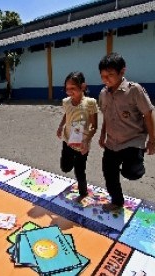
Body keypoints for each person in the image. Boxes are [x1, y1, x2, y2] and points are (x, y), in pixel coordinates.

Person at [98, 52, 155, 211]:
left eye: (110, 74)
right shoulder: (103, 94)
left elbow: (148, 113)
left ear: (122, 71)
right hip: (112, 142)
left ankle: (136, 162)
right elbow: (106, 116)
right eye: (103, 75)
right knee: (108, 172)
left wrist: (152, 141)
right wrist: (102, 135)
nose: (106, 79)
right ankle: (117, 201)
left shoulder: (134, 90)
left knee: (132, 173)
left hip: (133, 140)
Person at [57, 72, 98, 202]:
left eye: (73, 88)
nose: (69, 92)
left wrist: (87, 140)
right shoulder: (66, 102)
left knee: (80, 171)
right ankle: (73, 161)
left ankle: (83, 193)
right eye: (67, 88)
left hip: (82, 144)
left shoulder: (90, 103)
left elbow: (94, 125)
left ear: (83, 87)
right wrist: (60, 126)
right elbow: (67, 114)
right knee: (65, 167)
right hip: (67, 140)